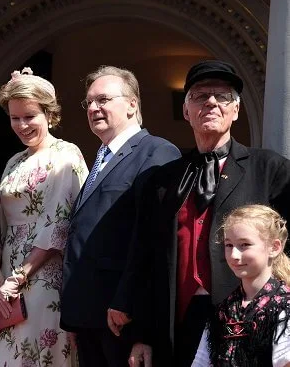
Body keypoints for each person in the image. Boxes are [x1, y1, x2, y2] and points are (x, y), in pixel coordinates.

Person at [119, 60, 290, 367]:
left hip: (247, 320)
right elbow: (144, 258)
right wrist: (140, 333)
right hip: (176, 320)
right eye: (199, 95)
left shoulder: (270, 169)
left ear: (235, 110)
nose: (211, 102)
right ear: (186, 111)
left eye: (222, 96)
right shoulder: (161, 180)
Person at [59, 65, 180, 367]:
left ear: (132, 105)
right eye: (89, 102)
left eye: (103, 99)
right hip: (91, 317)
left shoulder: (156, 152)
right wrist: (76, 315)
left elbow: (155, 241)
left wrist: (138, 322)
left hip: (123, 317)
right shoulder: (100, 156)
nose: (94, 108)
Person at [0, 68, 88, 367]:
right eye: (15, 118)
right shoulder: (14, 161)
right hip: (5, 276)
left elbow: (60, 224)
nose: (22, 125)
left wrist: (20, 276)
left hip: (43, 277)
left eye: (30, 116)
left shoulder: (66, 154)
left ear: (49, 114)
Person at [191, 205, 290, 367]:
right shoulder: (223, 309)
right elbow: (201, 362)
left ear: (274, 247)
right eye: (229, 245)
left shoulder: (284, 306)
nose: (234, 255)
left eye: (244, 245)